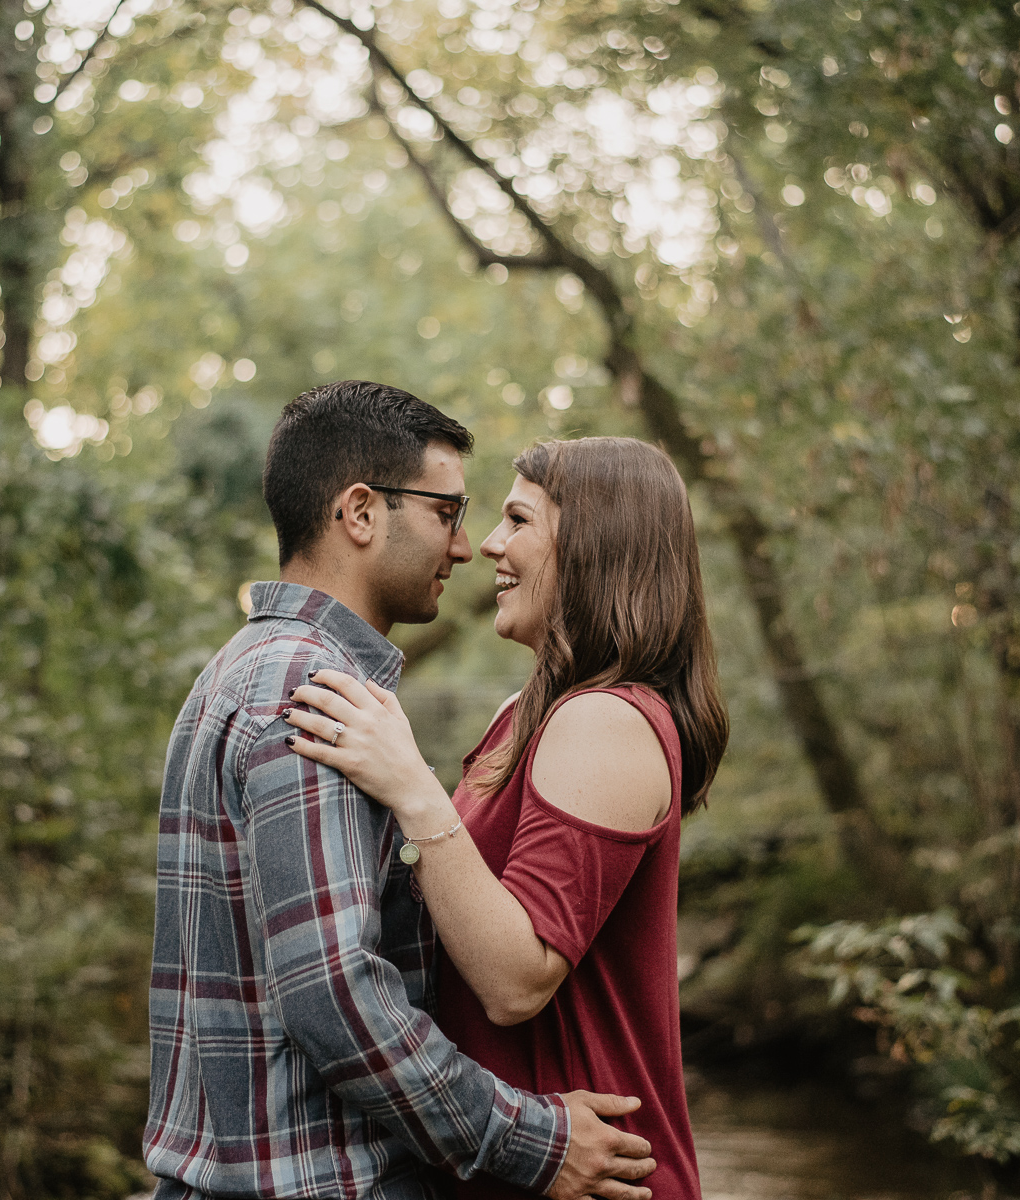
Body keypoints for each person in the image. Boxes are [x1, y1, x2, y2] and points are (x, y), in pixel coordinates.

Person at [144, 382, 659, 1200]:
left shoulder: (245, 671)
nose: (466, 547)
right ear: (360, 513)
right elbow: (333, 994)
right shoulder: (308, 691)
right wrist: (533, 1143)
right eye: (447, 514)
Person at [285, 436, 729, 1200]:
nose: (488, 544)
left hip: (598, 1170)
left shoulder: (608, 722)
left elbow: (517, 979)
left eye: (518, 519)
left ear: (594, 546)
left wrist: (412, 784)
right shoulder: (523, 715)